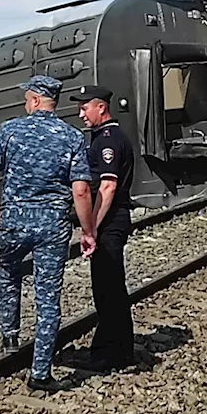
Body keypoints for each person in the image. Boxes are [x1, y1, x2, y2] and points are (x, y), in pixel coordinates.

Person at [0, 75, 97, 392]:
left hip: (14, 220)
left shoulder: (9, 131)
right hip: (52, 225)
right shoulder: (72, 137)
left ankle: (10, 335)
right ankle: (41, 373)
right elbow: (82, 191)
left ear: (33, 101)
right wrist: (88, 231)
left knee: (7, 274)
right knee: (48, 299)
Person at [70, 84, 136, 370]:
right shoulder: (102, 137)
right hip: (110, 219)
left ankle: (110, 353)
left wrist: (91, 228)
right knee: (110, 287)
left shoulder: (107, 141)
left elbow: (107, 187)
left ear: (100, 108)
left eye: (84, 108)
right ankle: (119, 349)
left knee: (108, 288)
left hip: (109, 220)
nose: (81, 114)